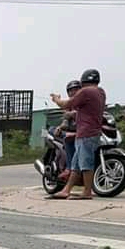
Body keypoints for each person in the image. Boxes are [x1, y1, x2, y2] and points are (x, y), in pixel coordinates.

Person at [50, 69, 106, 199]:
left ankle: (87, 192)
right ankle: (66, 190)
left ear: (83, 82)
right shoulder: (101, 92)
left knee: (86, 163)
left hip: (86, 133)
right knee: (75, 165)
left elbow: (66, 104)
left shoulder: (86, 92)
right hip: (93, 131)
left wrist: (56, 99)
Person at [54, 80, 81, 181]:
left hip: (83, 132)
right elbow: (65, 121)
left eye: (76, 89)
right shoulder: (69, 105)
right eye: (71, 90)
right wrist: (60, 127)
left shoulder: (84, 102)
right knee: (68, 137)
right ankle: (69, 168)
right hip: (72, 132)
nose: (74, 92)